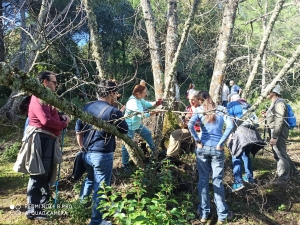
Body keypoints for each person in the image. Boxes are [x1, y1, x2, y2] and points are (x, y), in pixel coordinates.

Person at [75, 80, 128, 225]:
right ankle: (97, 221)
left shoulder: (86, 107)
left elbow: (78, 130)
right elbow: (125, 129)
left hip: (87, 153)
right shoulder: (113, 111)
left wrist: (82, 148)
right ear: (111, 93)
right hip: (103, 154)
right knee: (101, 188)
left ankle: (81, 207)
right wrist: (117, 111)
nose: (116, 96)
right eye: (116, 93)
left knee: (90, 180)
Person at [23, 71, 70, 220]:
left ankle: (44, 205)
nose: (56, 85)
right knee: (38, 173)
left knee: (47, 172)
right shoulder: (38, 97)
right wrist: (63, 124)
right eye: (54, 82)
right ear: (45, 82)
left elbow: (51, 116)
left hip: (47, 139)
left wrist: (61, 117)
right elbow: (45, 121)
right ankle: (33, 210)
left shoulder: (47, 98)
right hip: (39, 139)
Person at [188, 91, 233, 224]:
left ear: (200, 100)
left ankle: (203, 214)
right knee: (217, 181)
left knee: (203, 181)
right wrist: (221, 143)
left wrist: (197, 141)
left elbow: (190, 125)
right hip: (217, 149)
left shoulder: (199, 110)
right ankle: (222, 216)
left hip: (203, 148)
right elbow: (230, 126)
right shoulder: (222, 109)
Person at [261, 85, 299, 185]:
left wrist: (275, 137)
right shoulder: (275, 103)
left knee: (279, 154)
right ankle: (294, 172)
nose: (266, 93)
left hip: (279, 132)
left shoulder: (280, 103)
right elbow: (275, 117)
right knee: (282, 153)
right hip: (276, 131)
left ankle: (283, 178)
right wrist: (267, 115)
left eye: (268, 91)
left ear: (274, 92)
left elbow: (279, 120)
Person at [227, 94, 265, 192]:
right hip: (252, 133)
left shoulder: (231, 104)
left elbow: (230, 120)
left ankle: (238, 182)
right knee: (245, 155)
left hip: (240, 132)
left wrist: (230, 133)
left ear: (231, 99)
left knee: (235, 155)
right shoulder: (247, 105)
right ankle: (249, 177)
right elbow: (256, 122)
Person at [121, 85, 161, 173]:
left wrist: (156, 103)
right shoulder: (133, 103)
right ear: (138, 93)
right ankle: (125, 164)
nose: (145, 94)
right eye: (144, 93)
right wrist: (155, 112)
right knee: (126, 145)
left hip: (137, 125)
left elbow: (146, 103)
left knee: (147, 133)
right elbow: (142, 115)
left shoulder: (138, 99)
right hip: (130, 126)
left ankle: (154, 150)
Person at [165, 90, 201, 160]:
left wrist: (196, 122)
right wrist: (186, 120)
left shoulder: (202, 108)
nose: (191, 102)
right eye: (190, 100)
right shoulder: (188, 108)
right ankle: (170, 156)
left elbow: (205, 123)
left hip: (199, 131)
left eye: (193, 100)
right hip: (189, 130)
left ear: (197, 99)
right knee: (175, 134)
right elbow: (183, 124)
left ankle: (199, 160)